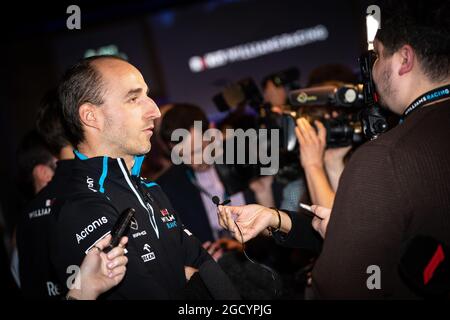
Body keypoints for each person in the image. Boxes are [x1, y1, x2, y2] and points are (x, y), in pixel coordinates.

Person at [217, 0, 450, 299]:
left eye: (377, 56)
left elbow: (340, 285)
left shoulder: (385, 156)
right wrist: (277, 218)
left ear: (404, 59)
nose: (373, 70)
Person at [50, 55, 238, 299]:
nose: (155, 111)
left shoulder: (150, 188)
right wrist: (184, 277)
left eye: (147, 96)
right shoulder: (81, 206)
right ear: (90, 116)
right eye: (133, 98)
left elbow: (205, 267)